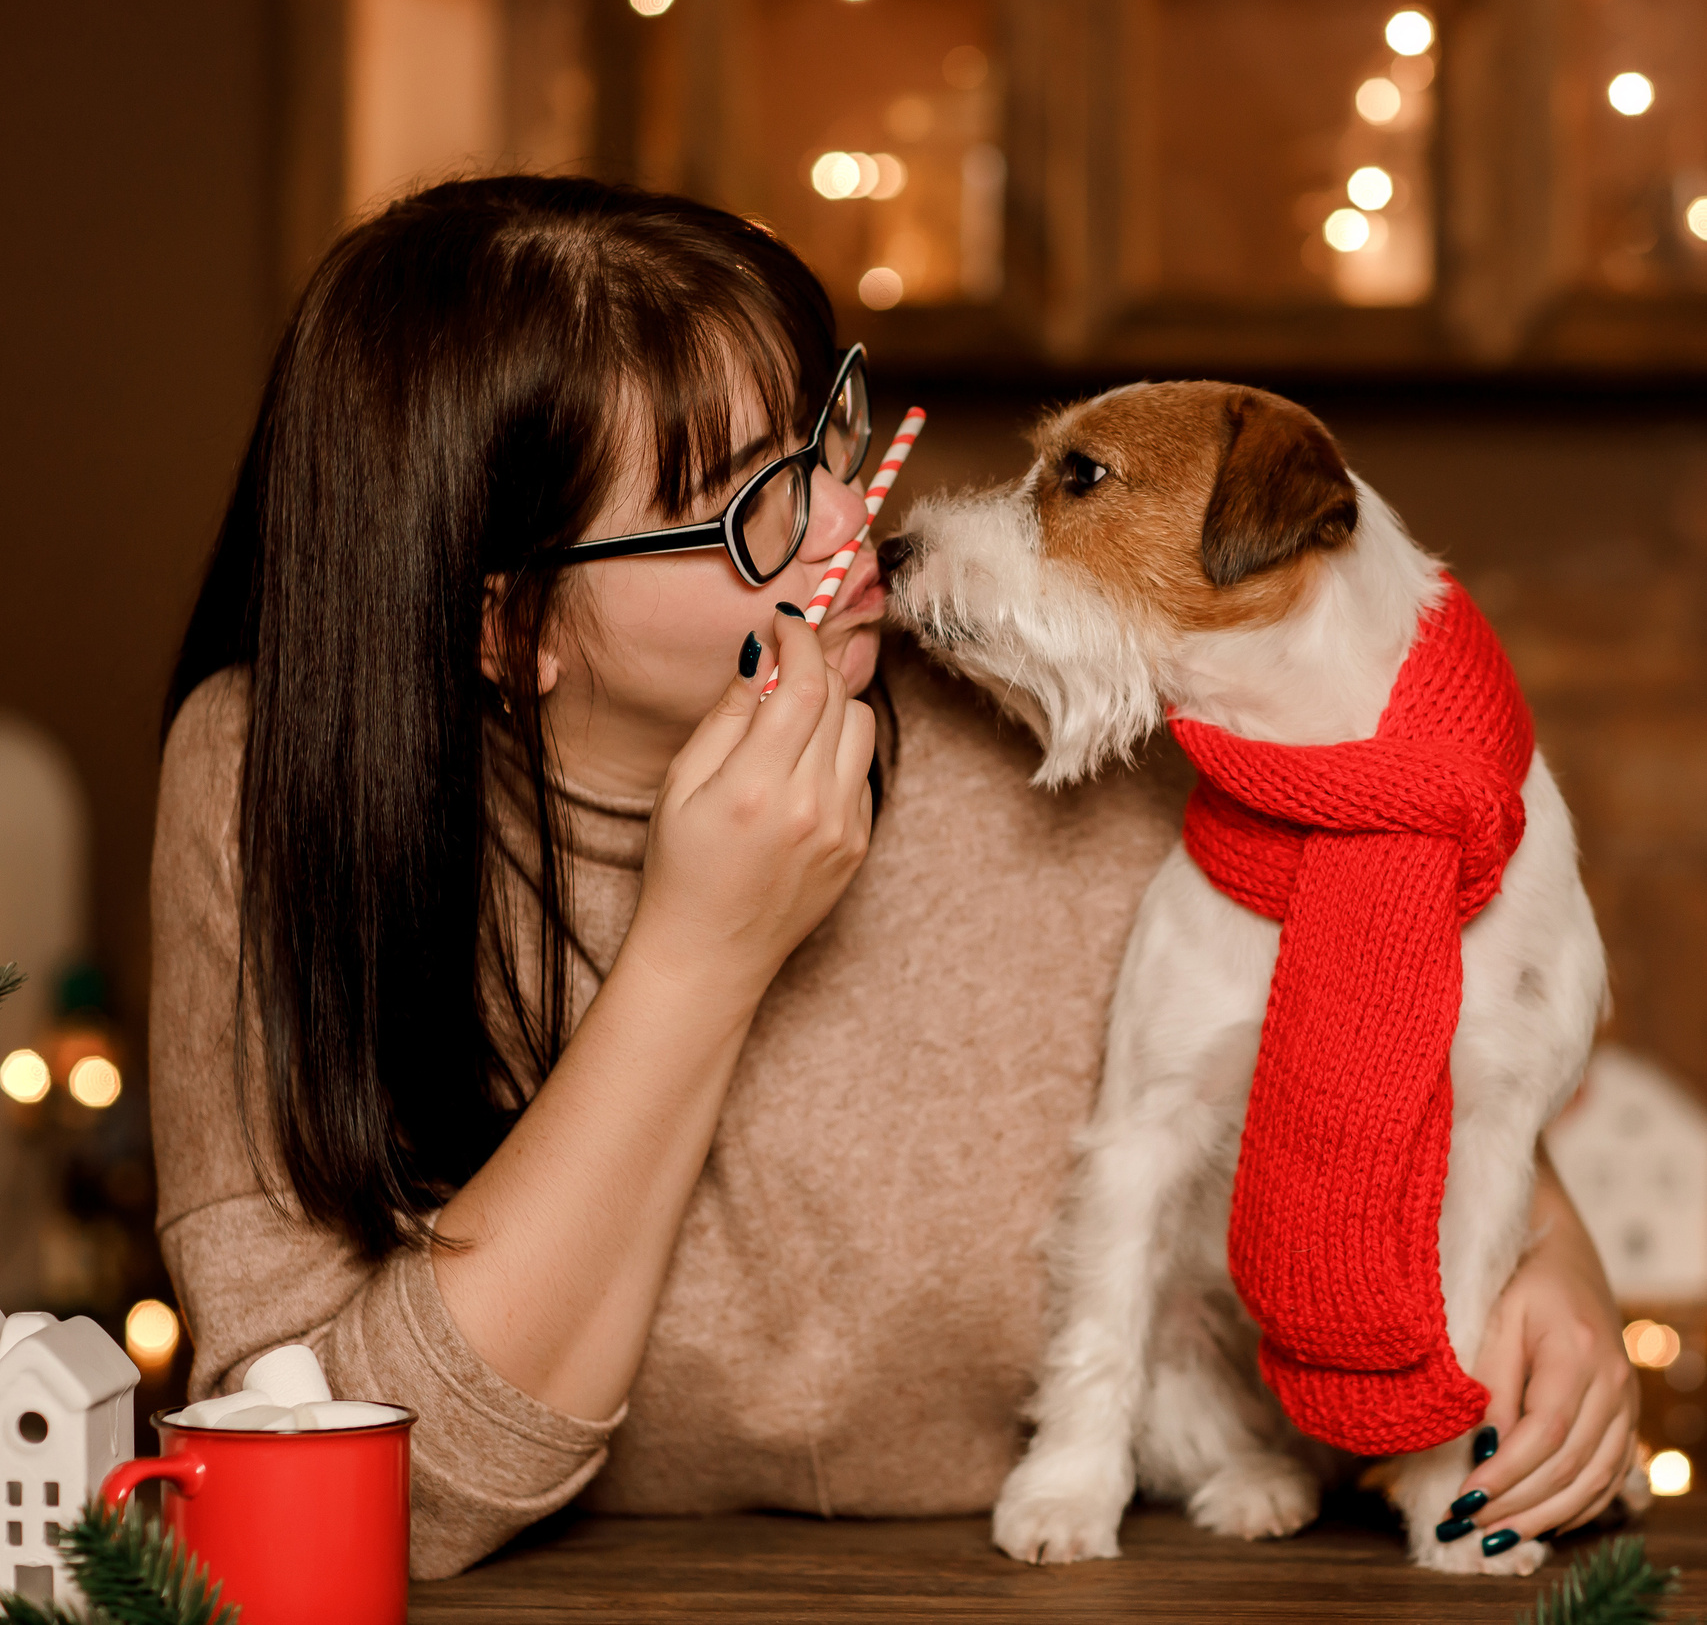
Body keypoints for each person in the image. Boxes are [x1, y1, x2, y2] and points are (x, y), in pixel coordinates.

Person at [151, 176, 1636, 1580]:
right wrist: (700, 953)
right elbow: (340, 1494)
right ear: (510, 629)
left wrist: (1547, 1246)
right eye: (751, 509)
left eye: (829, 440)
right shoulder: (273, 779)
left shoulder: (1072, 708)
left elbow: (1390, 993)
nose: (856, 530)